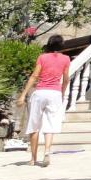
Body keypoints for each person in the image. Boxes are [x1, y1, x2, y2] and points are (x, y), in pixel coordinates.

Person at [17, 34, 70, 167]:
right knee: (50, 125)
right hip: (55, 93)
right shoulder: (66, 59)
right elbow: (66, 79)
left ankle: (33, 159)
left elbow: (34, 76)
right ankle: (47, 151)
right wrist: (62, 93)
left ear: (49, 44)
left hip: (40, 92)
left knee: (34, 125)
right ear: (61, 45)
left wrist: (23, 94)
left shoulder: (42, 57)